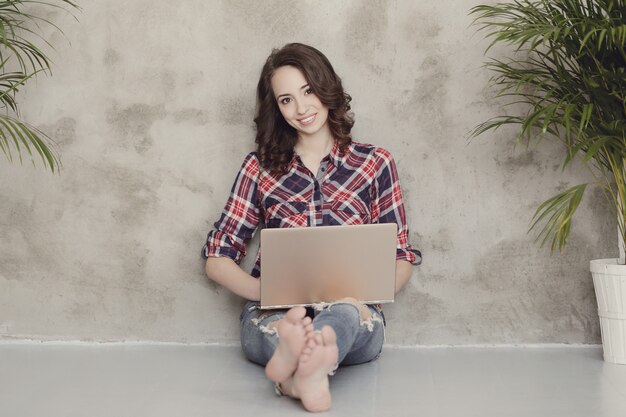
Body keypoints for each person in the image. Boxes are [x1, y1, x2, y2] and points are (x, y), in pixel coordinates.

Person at [201, 43, 421, 413]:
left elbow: (401, 257)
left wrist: (365, 299)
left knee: (346, 316)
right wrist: (264, 291)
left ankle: (293, 373)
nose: (301, 109)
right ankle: (305, 368)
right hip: (276, 313)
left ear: (327, 88)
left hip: (355, 312)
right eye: (286, 100)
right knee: (274, 329)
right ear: (276, 108)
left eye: (308, 91)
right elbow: (216, 258)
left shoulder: (375, 163)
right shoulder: (259, 168)